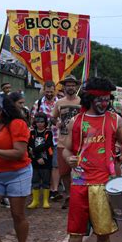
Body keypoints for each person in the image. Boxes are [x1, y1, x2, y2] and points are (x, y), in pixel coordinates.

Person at [62, 77, 122, 242]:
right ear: (90, 98)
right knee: (75, 233)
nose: (104, 103)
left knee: (103, 232)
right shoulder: (76, 121)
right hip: (80, 183)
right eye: (100, 99)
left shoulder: (115, 119)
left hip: (104, 183)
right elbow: (66, 149)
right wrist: (69, 159)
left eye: (107, 99)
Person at [0, 92, 32, 242]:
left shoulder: (17, 124)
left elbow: (19, 153)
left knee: (17, 214)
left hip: (18, 173)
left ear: (0, 110)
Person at [52, 75, 81, 209]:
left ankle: (78, 197)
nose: (70, 87)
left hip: (79, 143)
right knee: (64, 171)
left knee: (79, 171)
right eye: (68, 85)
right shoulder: (59, 102)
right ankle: (69, 195)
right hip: (63, 142)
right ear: (64, 87)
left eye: (72, 85)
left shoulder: (82, 102)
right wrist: (56, 122)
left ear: (76, 87)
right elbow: (53, 118)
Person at [31, 81, 61, 202]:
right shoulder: (37, 103)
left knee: (55, 165)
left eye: (51, 91)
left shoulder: (60, 103)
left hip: (57, 138)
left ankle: (54, 190)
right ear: (43, 90)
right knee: (42, 166)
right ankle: (42, 189)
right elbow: (33, 122)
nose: (49, 94)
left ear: (55, 90)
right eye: (47, 91)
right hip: (42, 140)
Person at [27, 112, 54, 209]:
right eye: (37, 121)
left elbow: (47, 144)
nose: (40, 123)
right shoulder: (32, 133)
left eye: (42, 121)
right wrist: (37, 157)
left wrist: (34, 150)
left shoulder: (48, 132)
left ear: (45, 122)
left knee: (46, 181)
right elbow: (29, 145)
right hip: (35, 160)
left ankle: (46, 201)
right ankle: (35, 201)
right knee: (35, 180)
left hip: (46, 161)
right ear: (35, 122)